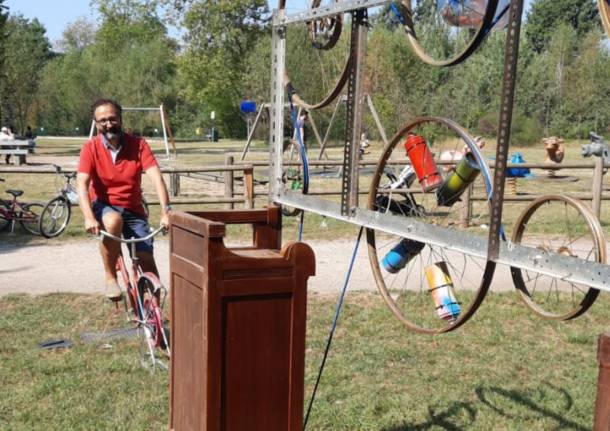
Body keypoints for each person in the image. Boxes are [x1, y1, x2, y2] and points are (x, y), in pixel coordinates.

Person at [76, 99, 171, 300]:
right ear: (96, 123)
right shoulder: (90, 148)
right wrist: (88, 217)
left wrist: (165, 211)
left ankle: (152, 311)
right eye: (102, 121)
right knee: (114, 222)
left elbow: (157, 179)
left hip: (133, 209)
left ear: (120, 119)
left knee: (146, 257)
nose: (108, 124)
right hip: (104, 206)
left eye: (112, 119)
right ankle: (110, 277)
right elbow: (82, 186)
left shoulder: (139, 145)